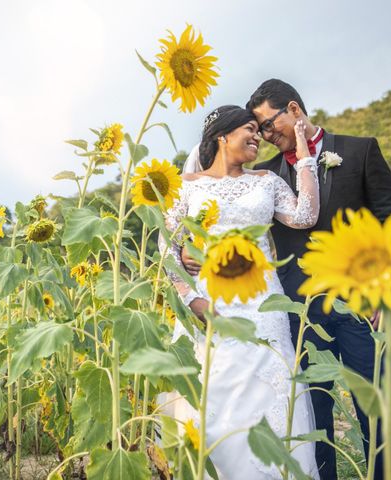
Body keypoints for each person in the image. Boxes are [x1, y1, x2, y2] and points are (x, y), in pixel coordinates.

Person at [160, 105, 320, 478]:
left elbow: (305, 215)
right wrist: (191, 299)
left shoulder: (266, 180)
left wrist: (304, 153)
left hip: (264, 305)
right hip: (208, 306)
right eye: (249, 129)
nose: (257, 137)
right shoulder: (188, 187)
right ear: (222, 136)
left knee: (272, 397)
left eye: (258, 131)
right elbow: (165, 250)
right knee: (213, 397)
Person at [246, 79, 391, 479]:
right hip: (299, 310)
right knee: (314, 414)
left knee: (374, 406)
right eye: (259, 131)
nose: (267, 135)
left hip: (362, 305)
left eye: (269, 124)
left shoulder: (360, 151)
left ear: (294, 110)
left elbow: (387, 220)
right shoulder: (265, 176)